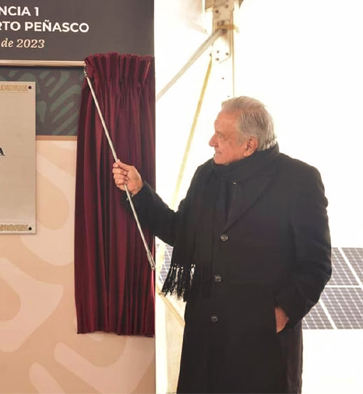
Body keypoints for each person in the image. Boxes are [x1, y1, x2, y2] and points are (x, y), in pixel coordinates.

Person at [112, 96, 331, 393]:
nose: (211, 141)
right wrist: (139, 191)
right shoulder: (207, 175)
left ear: (249, 145)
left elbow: (315, 265)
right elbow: (181, 231)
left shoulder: (299, 180)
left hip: (262, 343)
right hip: (206, 336)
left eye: (221, 136)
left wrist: (280, 315)